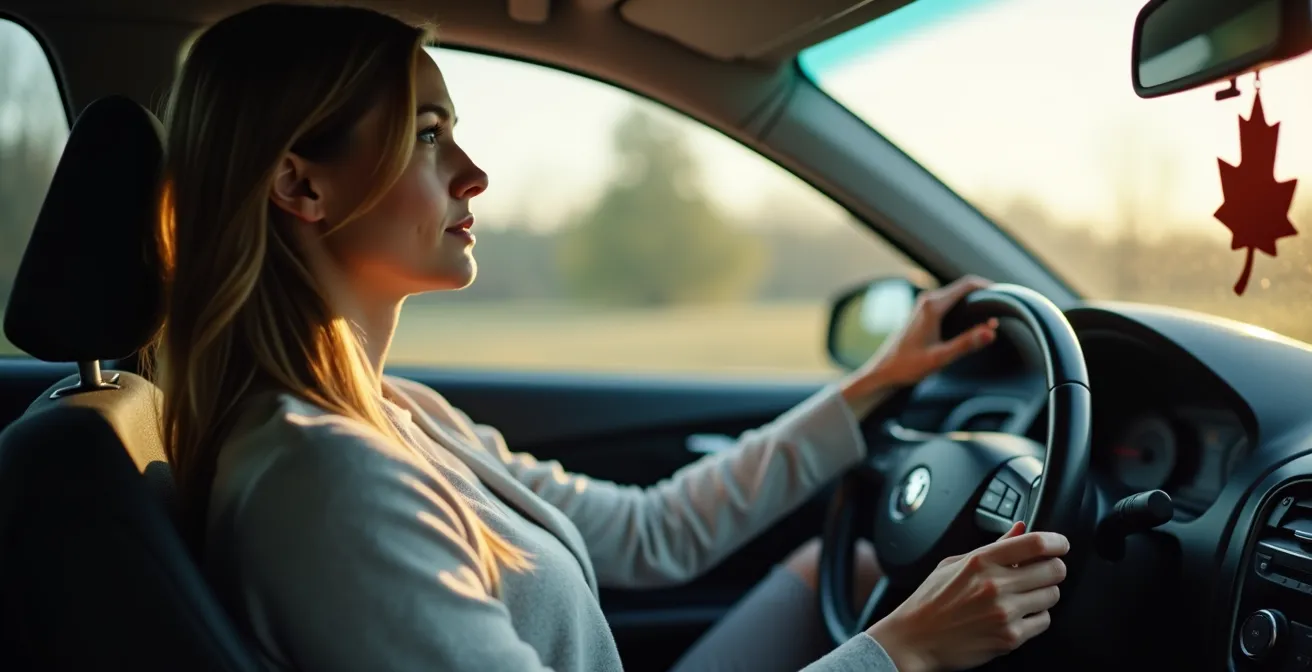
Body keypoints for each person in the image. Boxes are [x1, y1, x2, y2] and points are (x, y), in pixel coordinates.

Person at [151, 4, 1069, 671]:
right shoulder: (327, 483)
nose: (473, 174)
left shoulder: (390, 412)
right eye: (428, 135)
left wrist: (870, 387)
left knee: (838, 566)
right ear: (300, 187)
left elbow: (649, 531)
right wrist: (901, 653)